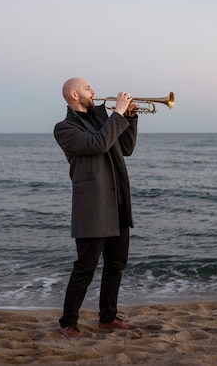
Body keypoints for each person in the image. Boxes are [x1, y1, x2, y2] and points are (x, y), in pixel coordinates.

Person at [54, 77, 139, 339]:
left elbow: (125, 148)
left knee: (116, 264)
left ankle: (108, 318)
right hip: (93, 206)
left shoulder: (104, 119)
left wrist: (131, 118)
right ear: (74, 95)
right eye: (87, 87)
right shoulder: (65, 128)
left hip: (118, 203)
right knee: (85, 269)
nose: (93, 90)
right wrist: (118, 113)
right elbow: (97, 145)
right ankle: (68, 323)